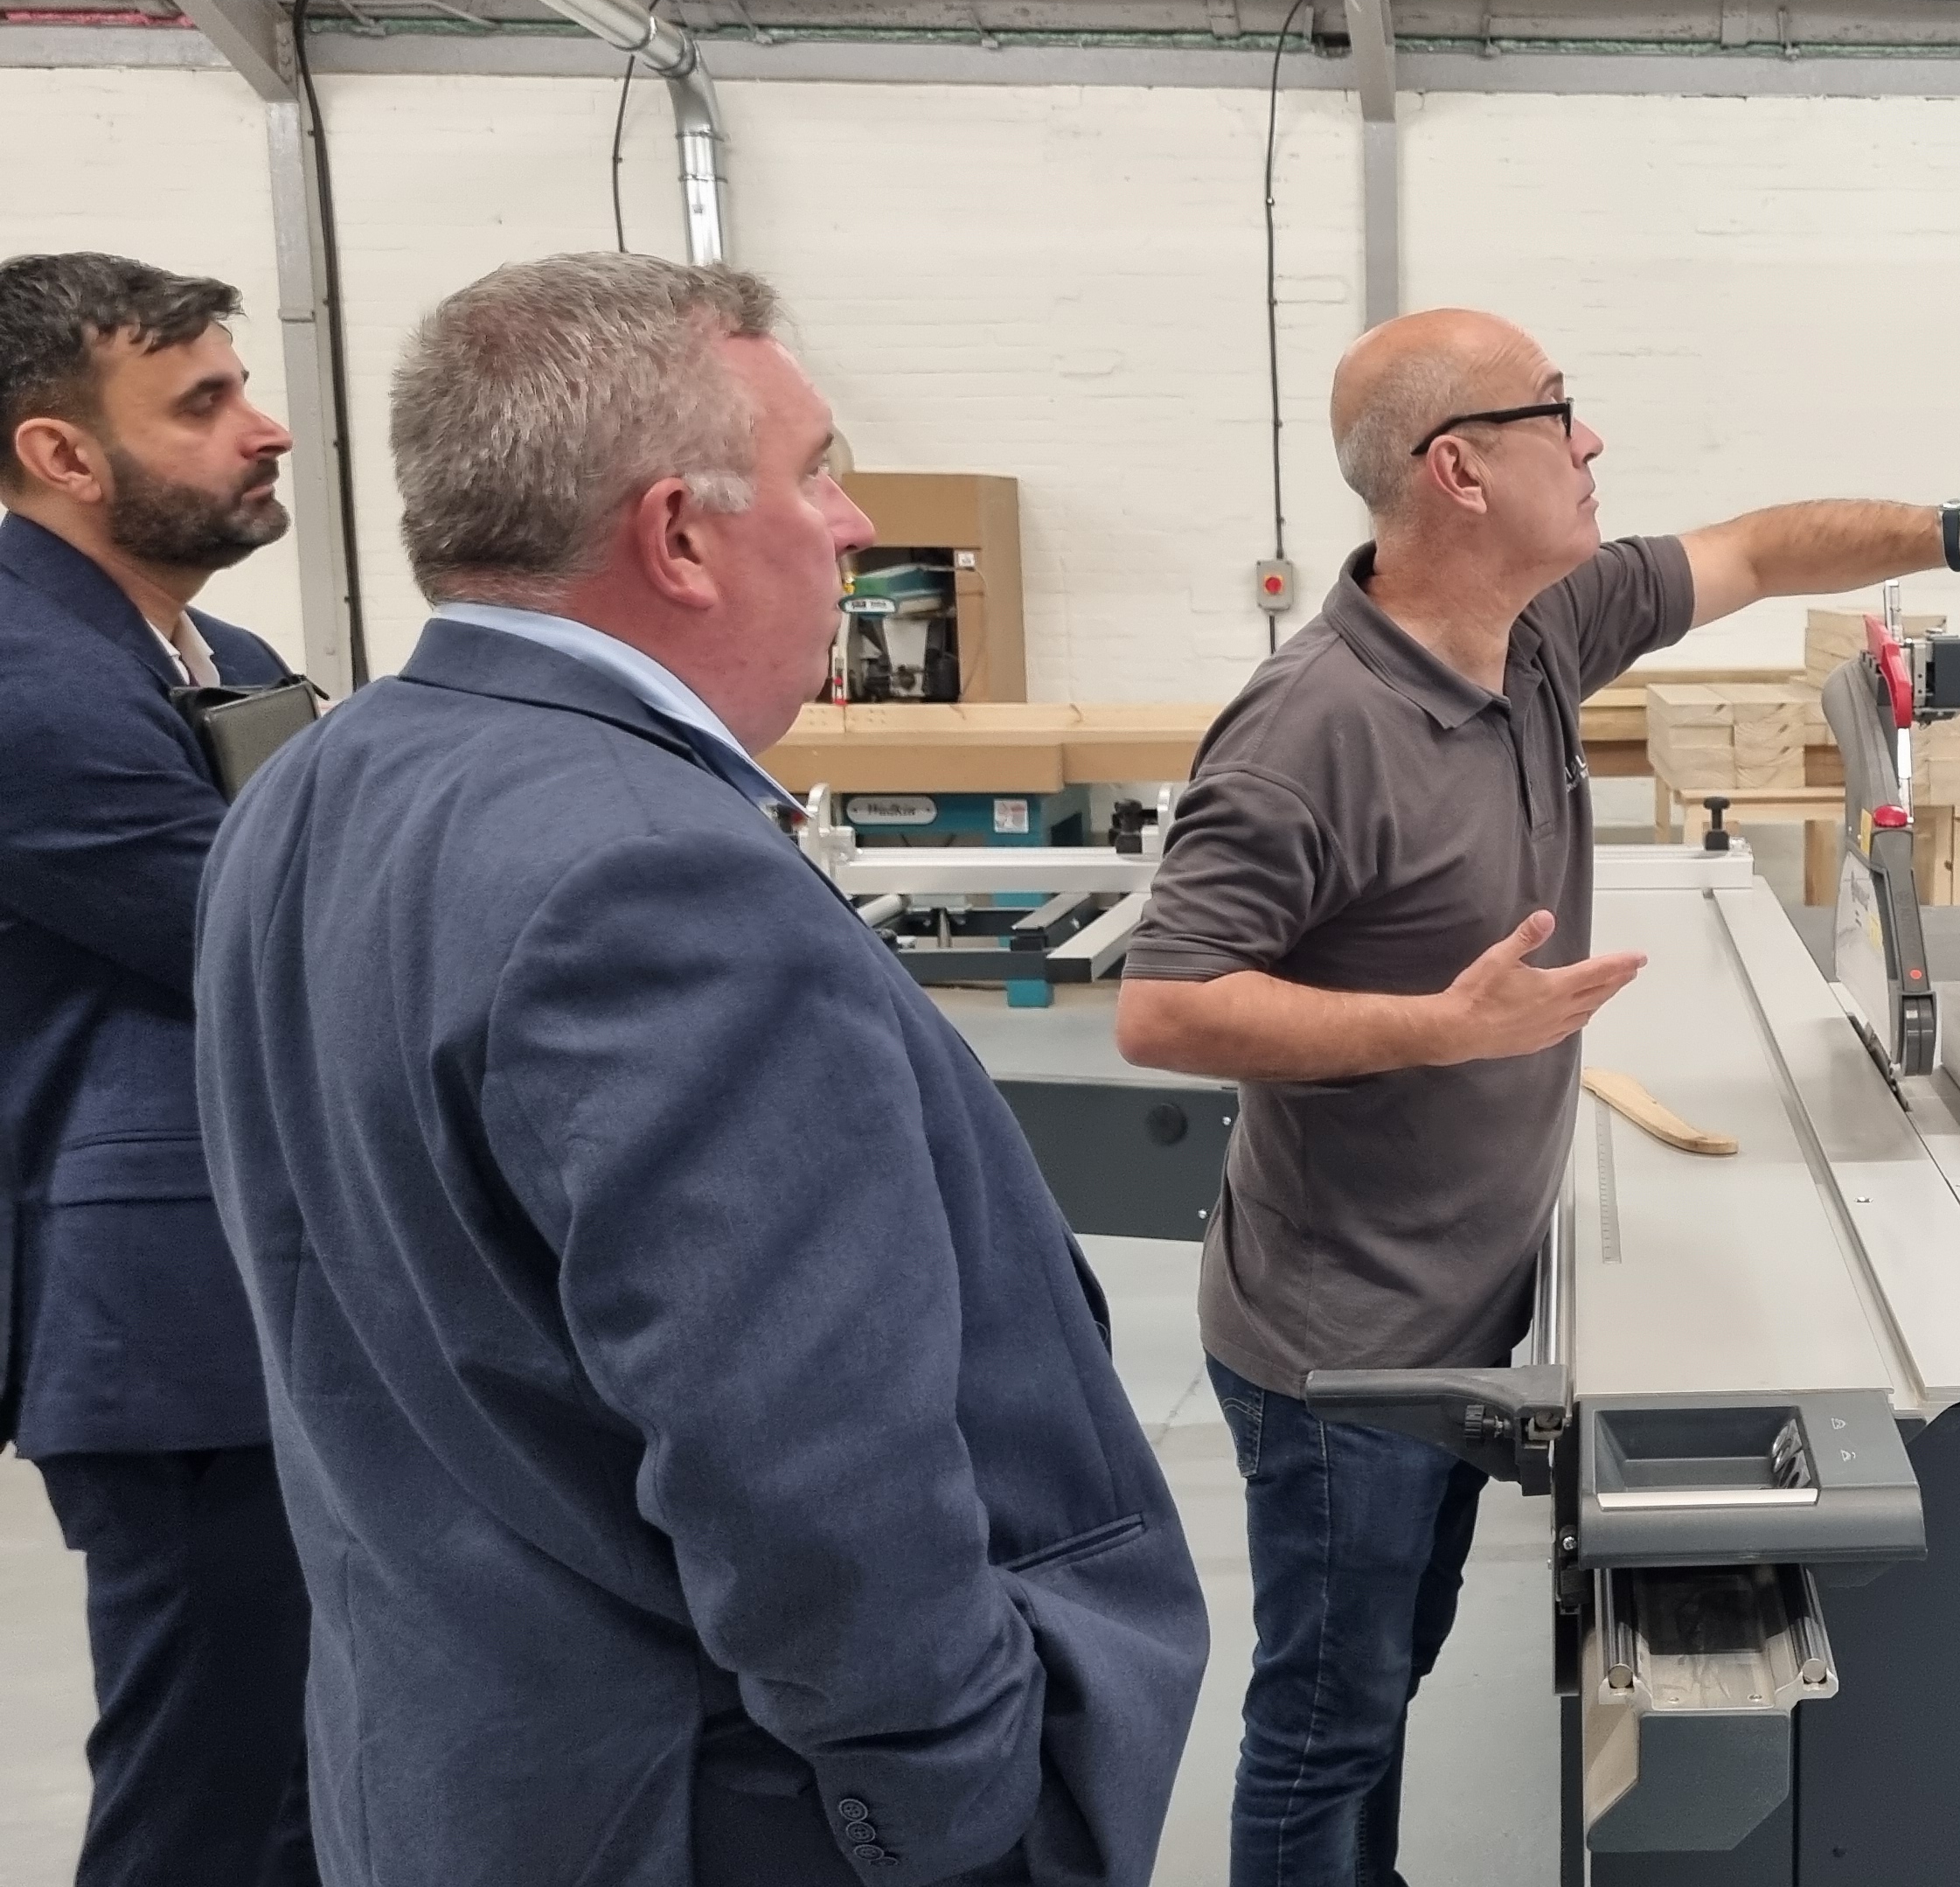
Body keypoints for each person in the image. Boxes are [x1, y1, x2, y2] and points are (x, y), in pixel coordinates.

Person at [1115, 304, 1960, 1885]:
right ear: (1458, 472)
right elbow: (1163, 1008)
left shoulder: (1544, 625)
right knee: (1331, 1718)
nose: (1594, 441)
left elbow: (1758, 548)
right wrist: (1441, 1031)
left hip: (1460, 1294)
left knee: (1385, 1679)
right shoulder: (1311, 729)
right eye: (1561, 414)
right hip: (1344, 1342)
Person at [191, 254, 1206, 1887]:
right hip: (718, 1810)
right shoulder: (656, 878)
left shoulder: (316, 785)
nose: (855, 524)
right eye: (817, 475)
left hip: (462, 1763)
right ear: (676, 534)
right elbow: (807, 1471)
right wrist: (946, 1796)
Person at [0, 252, 316, 1887]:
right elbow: (267, 942)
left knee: (308, 1773)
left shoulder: (219, 646)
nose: (262, 430)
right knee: (209, 1778)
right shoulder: (24, 678)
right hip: (165, 1319)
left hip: (267, 1287)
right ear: (61, 453)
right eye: (201, 403)